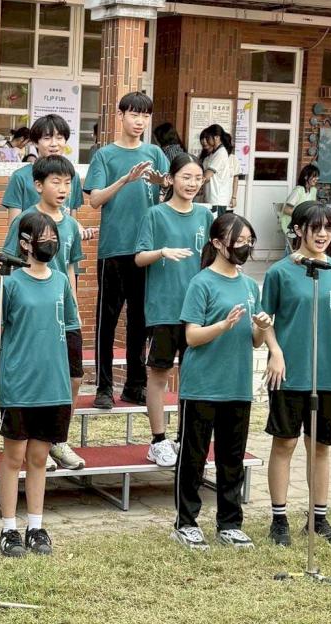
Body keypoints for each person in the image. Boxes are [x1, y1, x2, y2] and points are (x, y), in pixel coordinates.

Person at [262, 201, 331, 547]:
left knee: (320, 446)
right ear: (298, 229)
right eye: (315, 227)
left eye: (329, 228)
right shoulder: (279, 273)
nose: (323, 234)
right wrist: (275, 352)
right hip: (289, 374)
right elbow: (265, 322)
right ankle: (279, 520)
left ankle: (318, 519)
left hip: (329, 375)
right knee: (285, 443)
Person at [171, 213, 270, 551]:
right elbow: (192, 337)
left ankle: (230, 523)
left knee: (232, 458)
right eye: (238, 241)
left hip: (237, 385)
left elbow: (255, 340)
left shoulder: (249, 286)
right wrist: (223, 326)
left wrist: (262, 327)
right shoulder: (201, 283)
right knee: (194, 457)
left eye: (249, 241)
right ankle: (186, 523)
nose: (245, 247)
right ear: (217, 243)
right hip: (202, 385)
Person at [0, 211, 78, 557]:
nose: (50, 243)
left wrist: (72, 376)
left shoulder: (61, 281)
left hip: (52, 385)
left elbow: (70, 327)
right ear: (25, 243)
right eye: (43, 237)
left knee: (39, 457)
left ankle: (36, 527)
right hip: (19, 384)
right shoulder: (10, 284)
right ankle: (9, 528)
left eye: (54, 237)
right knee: (14, 457)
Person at [84, 92, 168, 409]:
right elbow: (94, 200)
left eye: (145, 116)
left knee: (140, 322)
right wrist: (124, 180)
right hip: (113, 249)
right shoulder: (104, 155)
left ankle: (135, 385)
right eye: (134, 114)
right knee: (107, 322)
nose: (139, 121)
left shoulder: (155, 153)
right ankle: (104, 387)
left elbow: (168, 195)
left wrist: (165, 184)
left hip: (145, 250)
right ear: (120, 116)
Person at [2, 156, 85, 470]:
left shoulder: (71, 224)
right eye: (56, 182)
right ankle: (34, 445)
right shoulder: (25, 219)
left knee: (74, 376)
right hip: (33, 313)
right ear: (38, 185)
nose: (63, 189)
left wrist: (74, 306)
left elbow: (71, 267)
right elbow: (9, 264)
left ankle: (57, 440)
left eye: (68, 183)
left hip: (64, 312)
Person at [134, 154, 213, 468]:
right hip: (164, 309)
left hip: (197, 313)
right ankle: (158, 441)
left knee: (192, 376)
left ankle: (184, 438)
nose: (192, 183)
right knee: (159, 375)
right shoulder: (155, 214)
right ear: (170, 179)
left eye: (197, 178)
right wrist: (162, 252)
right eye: (185, 177)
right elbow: (139, 257)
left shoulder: (205, 216)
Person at [2, 115, 84, 219]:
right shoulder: (20, 177)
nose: (54, 144)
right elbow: (14, 223)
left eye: (59, 138)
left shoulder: (73, 176)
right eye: (47, 138)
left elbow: (73, 221)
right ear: (35, 142)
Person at [279, 164, 319, 249]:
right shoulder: (298, 191)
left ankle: (310, 251)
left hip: (305, 221)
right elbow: (286, 209)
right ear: (306, 177)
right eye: (314, 176)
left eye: (317, 177)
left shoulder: (313, 190)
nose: (316, 179)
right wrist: (302, 215)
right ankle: (303, 250)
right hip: (291, 222)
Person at [200, 124, 235, 217]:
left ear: (216, 137)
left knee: (216, 224)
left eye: (208, 137)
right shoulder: (214, 153)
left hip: (217, 199)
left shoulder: (221, 153)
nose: (206, 140)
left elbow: (207, 176)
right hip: (212, 197)